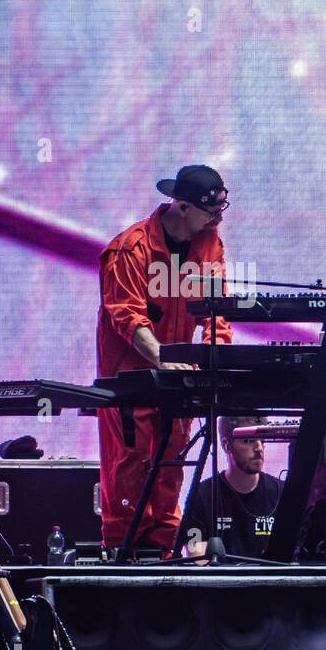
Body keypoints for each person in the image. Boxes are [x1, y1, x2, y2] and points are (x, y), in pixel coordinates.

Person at [96, 164, 232, 554]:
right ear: (183, 206)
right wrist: (161, 360)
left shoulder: (209, 246)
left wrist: (215, 358)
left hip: (178, 379)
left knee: (172, 463)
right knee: (130, 466)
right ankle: (124, 554)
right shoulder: (129, 249)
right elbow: (127, 315)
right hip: (129, 379)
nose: (218, 219)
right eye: (212, 211)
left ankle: (164, 554)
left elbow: (216, 312)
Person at [178, 415, 283, 559]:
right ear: (227, 445)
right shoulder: (202, 495)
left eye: (262, 440)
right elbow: (198, 561)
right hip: (220, 581)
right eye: (248, 440)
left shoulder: (281, 493)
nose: (259, 448)